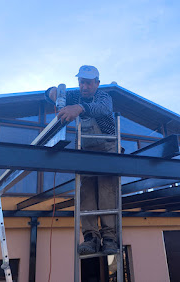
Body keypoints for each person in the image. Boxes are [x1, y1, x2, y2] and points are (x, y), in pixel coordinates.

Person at [45, 65, 118, 255]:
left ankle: (109, 238)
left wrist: (79, 108)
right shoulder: (74, 95)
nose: (84, 86)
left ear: (97, 83)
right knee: (86, 192)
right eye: (81, 82)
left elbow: (102, 109)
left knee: (106, 191)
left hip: (107, 148)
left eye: (88, 82)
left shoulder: (104, 97)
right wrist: (52, 93)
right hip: (86, 149)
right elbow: (50, 94)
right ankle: (91, 237)